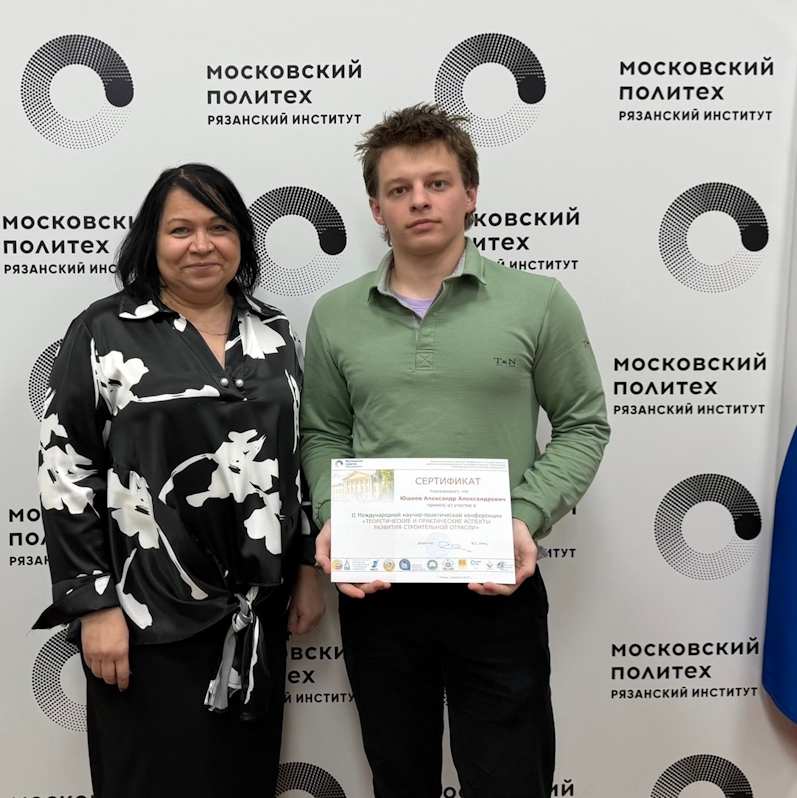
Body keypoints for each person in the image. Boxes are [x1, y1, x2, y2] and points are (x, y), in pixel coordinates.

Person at [300, 104, 610, 798]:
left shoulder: (538, 302)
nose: (419, 201)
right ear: (376, 208)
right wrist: (334, 516)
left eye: (437, 184)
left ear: (470, 194)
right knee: (399, 780)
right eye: (400, 189)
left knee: (510, 781)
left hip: (496, 586)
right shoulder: (335, 315)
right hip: (379, 590)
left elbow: (584, 424)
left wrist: (525, 516)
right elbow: (322, 433)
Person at [34, 163, 325, 798]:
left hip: (256, 613)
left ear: (242, 239)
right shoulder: (104, 331)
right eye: (180, 229)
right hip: (146, 615)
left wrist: (306, 568)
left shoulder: (274, 333)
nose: (201, 245)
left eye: (219, 227)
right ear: (152, 240)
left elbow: (296, 457)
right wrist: (95, 604)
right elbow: (66, 469)